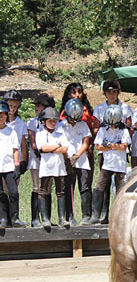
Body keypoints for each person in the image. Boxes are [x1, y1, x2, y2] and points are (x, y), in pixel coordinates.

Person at [92, 79, 132, 224]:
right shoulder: (99, 109)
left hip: (119, 152)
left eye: (114, 92)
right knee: (104, 183)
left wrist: (113, 142)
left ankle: (119, 214)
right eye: (109, 92)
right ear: (105, 93)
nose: (112, 95)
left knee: (120, 183)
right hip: (105, 152)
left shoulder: (125, 107)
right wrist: (108, 138)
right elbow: (96, 129)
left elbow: (128, 128)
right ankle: (102, 214)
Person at [57, 98, 92, 226]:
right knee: (68, 187)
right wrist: (67, 159)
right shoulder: (60, 126)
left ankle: (86, 216)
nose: (74, 122)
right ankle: (69, 216)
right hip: (66, 161)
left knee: (84, 187)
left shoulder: (83, 125)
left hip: (81, 159)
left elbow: (86, 142)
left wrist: (76, 156)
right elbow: (59, 143)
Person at [35, 107, 69, 228]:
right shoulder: (40, 134)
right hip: (46, 166)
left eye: (55, 121)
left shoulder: (60, 133)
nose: (53, 123)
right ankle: (45, 218)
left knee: (61, 191)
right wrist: (56, 147)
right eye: (50, 121)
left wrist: (51, 148)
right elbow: (43, 148)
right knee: (44, 191)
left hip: (59, 166)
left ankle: (62, 218)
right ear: (43, 121)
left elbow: (65, 148)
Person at [27, 93, 56, 227]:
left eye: (39, 105)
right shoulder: (32, 122)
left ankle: (47, 218)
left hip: (50, 159)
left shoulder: (54, 122)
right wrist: (39, 152)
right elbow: (33, 142)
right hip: (36, 158)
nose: (36, 108)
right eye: (36, 105)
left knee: (47, 188)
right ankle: (35, 218)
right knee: (37, 187)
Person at [60, 82, 95, 191]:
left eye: (79, 92)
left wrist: (90, 144)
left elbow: (91, 128)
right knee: (69, 186)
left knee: (85, 185)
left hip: (86, 150)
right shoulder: (63, 113)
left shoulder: (87, 111)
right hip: (68, 153)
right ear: (68, 95)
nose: (77, 95)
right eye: (74, 92)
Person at [0, 100, 26, 228]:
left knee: (13, 192)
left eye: (3, 115)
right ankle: (4, 219)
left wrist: (17, 165)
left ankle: (15, 218)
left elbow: (16, 149)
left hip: (9, 166)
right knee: (1, 194)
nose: (0, 117)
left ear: (6, 116)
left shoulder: (11, 132)